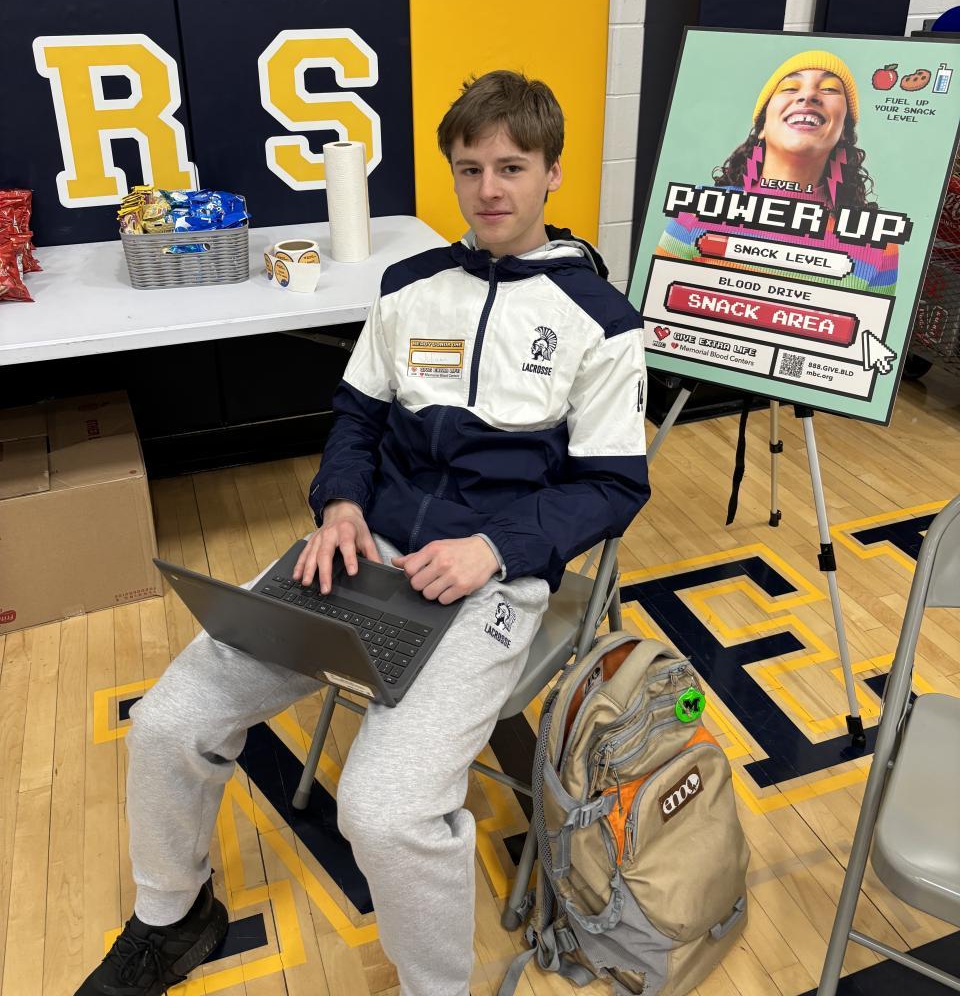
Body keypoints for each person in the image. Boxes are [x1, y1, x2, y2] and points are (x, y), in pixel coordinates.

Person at [77, 69, 650, 996]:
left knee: (384, 813)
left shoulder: (602, 323)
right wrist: (340, 506)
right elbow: (355, 419)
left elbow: (614, 485)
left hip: (487, 584)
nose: (489, 190)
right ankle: (172, 918)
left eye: (512, 167)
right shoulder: (410, 285)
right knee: (168, 720)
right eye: (470, 169)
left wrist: (495, 550)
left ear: (552, 173)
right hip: (358, 557)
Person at [657, 51, 898, 295]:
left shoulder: (878, 243)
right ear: (762, 127)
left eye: (829, 89)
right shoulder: (697, 210)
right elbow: (660, 302)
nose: (808, 95)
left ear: (844, 131)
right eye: (790, 88)